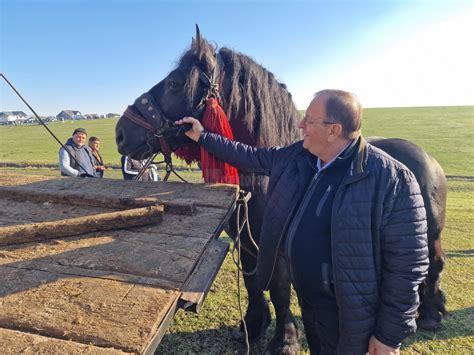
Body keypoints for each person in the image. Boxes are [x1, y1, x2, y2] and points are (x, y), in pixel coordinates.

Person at [177, 89, 429, 354]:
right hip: (311, 303)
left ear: (333, 130)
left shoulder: (392, 179)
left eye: (309, 120)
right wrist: (202, 136)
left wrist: (388, 336)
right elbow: (250, 155)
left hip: (354, 315)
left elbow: (408, 266)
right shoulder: (300, 157)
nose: (300, 125)